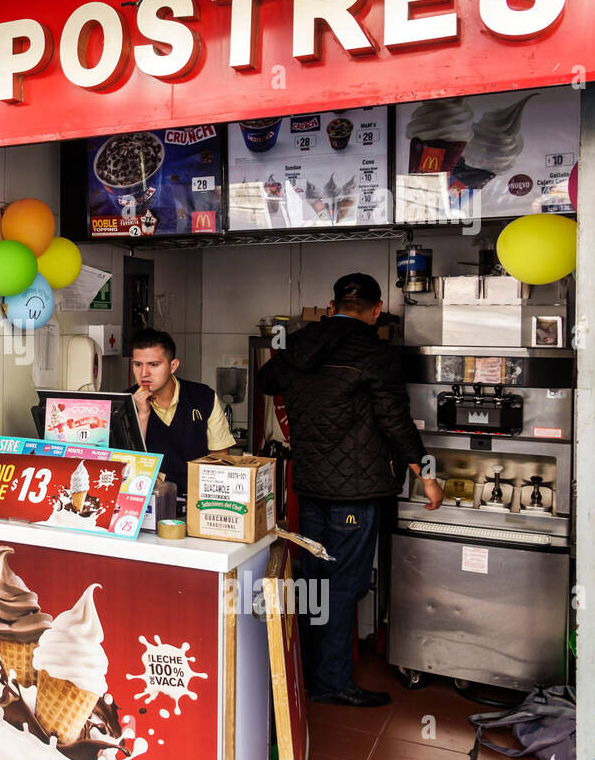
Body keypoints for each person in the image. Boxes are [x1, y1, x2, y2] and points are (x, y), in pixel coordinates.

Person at [259, 273, 443, 707]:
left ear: (332, 303)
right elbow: (396, 422)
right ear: (377, 309)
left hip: (311, 484)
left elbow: (268, 380)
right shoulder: (377, 353)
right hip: (355, 492)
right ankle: (331, 683)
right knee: (343, 583)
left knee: (315, 576)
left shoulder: (302, 342)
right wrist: (428, 475)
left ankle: (305, 669)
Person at [127, 328, 234, 498]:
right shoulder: (125, 402)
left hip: (197, 496)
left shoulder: (203, 397)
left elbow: (220, 458)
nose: (144, 373)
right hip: (148, 499)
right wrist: (142, 415)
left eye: (154, 365)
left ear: (173, 366)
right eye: (137, 364)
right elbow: (128, 465)